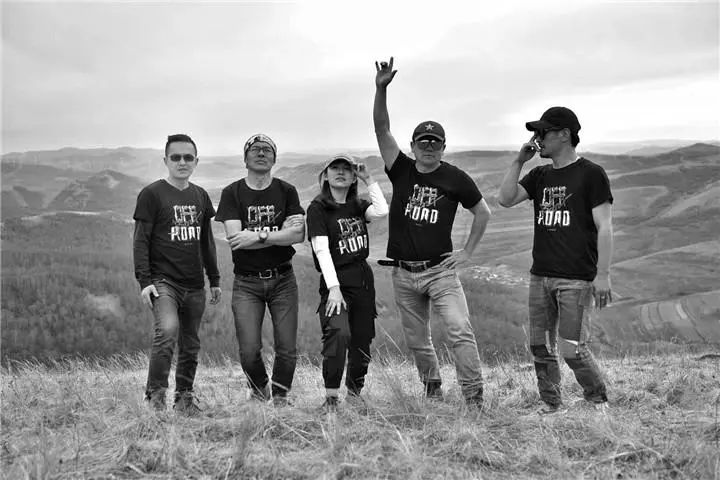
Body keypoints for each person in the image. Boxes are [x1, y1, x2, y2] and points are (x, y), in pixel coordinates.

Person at [373, 57, 491, 408]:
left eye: (434, 143)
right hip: (403, 273)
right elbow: (382, 129)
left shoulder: (455, 178)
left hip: (440, 271)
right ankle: (433, 390)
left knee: (459, 330)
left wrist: (468, 252)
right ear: (412, 146)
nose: (428, 147)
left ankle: (473, 397)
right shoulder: (401, 169)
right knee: (417, 340)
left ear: (443, 147)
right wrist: (380, 90)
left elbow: (482, 212)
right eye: (422, 142)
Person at [497, 106, 612, 414]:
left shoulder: (591, 174)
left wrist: (603, 274)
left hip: (576, 278)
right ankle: (552, 405)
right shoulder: (540, 175)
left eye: (543, 132)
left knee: (572, 349)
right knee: (540, 347)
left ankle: (597, 401)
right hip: (540, 276)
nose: (537, 138)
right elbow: (505, 199)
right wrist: (519, 161)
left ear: (564, 134)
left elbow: (605, 226)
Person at [133, 133, 222, 415]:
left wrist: (214, 279)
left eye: (188, 157)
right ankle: (155, 400)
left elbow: (206, 241)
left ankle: (184, 401)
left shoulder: (200, 196)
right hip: (163, 282)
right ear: (166, 160)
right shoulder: (152, 194)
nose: (182, 162)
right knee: (167, 331)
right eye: (176, 157)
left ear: (196, 161)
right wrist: (144, 281)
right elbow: (140, 240)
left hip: (194, 283)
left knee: (191, 344)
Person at [215, 134, 305, 406]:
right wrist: (279, 235)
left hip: (283, 279)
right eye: (255, 149)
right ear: (245, 158)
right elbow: (236, 240)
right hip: (246, 283)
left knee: (286, 348)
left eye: (267, 150)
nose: (262, 153)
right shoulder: (232, 193)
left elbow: (297, 235)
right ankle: (259, 388)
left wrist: (257, 236)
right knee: (249, 350)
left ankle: (280, 398)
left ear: (274, 158)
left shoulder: (287, 191)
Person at [306, 155, 389, 411]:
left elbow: (382, 211)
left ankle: (355, 393)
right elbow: (321, 250)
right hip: (336, 280)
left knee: (362, 338)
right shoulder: (318, 208)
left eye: (346, 169)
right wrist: (334, 289)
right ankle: (331, 397)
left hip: (362, 280)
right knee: (338, 333)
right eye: (335, 168)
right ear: (325, 174)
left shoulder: (357, 205)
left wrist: (369, 178)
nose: (340, 172)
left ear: (353, 177)